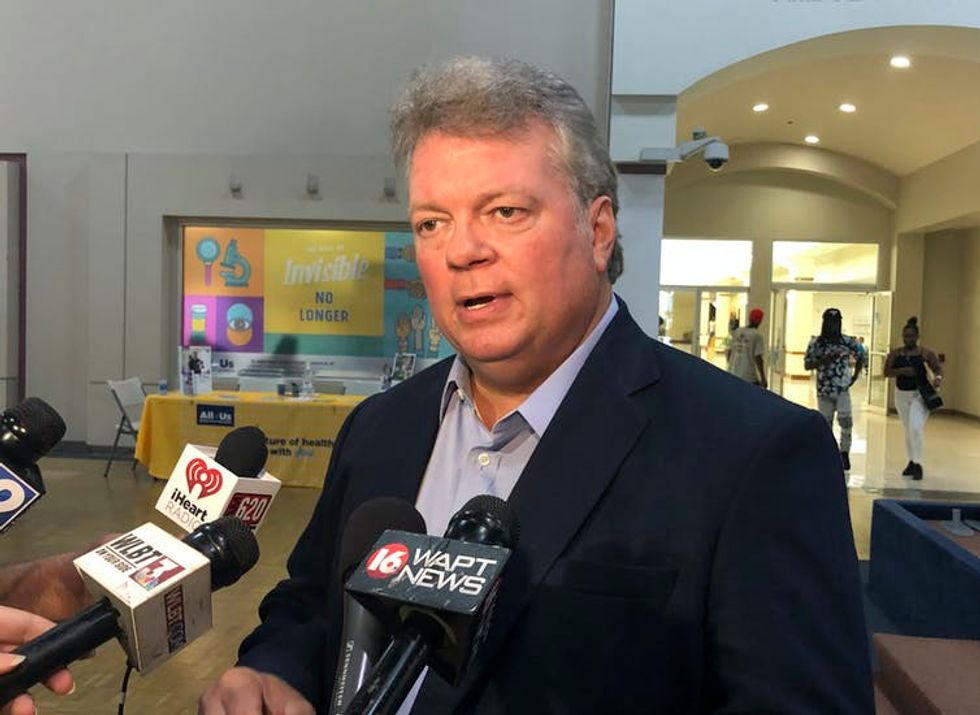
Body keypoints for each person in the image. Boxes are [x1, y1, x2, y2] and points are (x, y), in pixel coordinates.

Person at [200, 57, 872, 714]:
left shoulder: (755, 456)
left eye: (505, 211)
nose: (462, 251)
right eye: (432, 223)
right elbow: (309, 605)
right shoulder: (378, 427)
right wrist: (271, 671)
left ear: (598, 231)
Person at [804, 308, 867, 471]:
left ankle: (844, 452)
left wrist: (855, 375)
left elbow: (861, 354)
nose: (833, 325)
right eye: (830, 322)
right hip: (824, 390)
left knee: (846, 420)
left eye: (836, 321)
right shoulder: (817, 343)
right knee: (826, 423)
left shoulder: (847, 341)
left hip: (842, 389)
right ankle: (827, 453)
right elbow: (807, 364)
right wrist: (823, 361)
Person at [883, 316, 942, 479]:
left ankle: (918, 463)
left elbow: (937, 369)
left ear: (917, 337)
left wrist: (937, 378)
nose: (908, 339)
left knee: (915, 428)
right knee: (908, 429)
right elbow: (886, 372)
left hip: (920, 395)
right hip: (901, 395)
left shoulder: (925, 353)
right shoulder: (895, 354)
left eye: (911, 336)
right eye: (906, 336)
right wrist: (902, 371)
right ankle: (911, 461)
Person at [726, 307, 767, 388]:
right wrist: (763, 377)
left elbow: (729, 353)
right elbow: (758, 358)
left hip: (732, 373)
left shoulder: (737, 331)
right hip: (748, 376)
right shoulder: (757, 335)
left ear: (749, 318)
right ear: (760, 321)